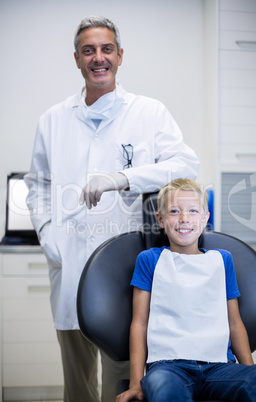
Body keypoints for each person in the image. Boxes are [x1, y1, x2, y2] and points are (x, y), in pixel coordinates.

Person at [24, 16, 199, 402]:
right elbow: (37, 185)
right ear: (76, 59)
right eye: (89, 50)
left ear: (120, 56)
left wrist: (122, 177)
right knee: (77, 381)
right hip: (68, 262)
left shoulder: (148, 113)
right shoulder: (53, 120)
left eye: (106, 49)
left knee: (122, 379)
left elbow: (187, 164)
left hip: (123, 267)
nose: (98, 58)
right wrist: (49, 235)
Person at [117, 178, 256, 402]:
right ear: (160, 219)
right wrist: (136, 384)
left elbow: (234, 323)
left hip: (219, 367)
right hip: (168, 368)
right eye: (174, 211)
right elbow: (139, 323)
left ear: (205, 218)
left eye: (193, 211)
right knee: (164, 390)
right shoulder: (150, 260)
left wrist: (247, 372)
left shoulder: (222, 260)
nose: (184, 219)